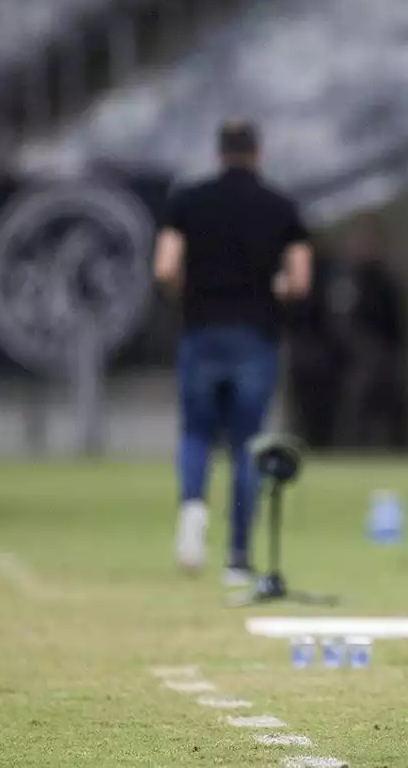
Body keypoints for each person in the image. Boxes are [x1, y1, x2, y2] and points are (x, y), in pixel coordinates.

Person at [154, 120, 312, 585]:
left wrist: (190, 293)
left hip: (202, 329)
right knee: (248, 442)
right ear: (258, 153)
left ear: (218, 152)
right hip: (255, 335)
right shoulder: (280, 207)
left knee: (196, 433)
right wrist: (274, 290)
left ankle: (192, 512)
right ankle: (239, 556)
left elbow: (165, 267)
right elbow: (299, 279)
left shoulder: (188, 200)